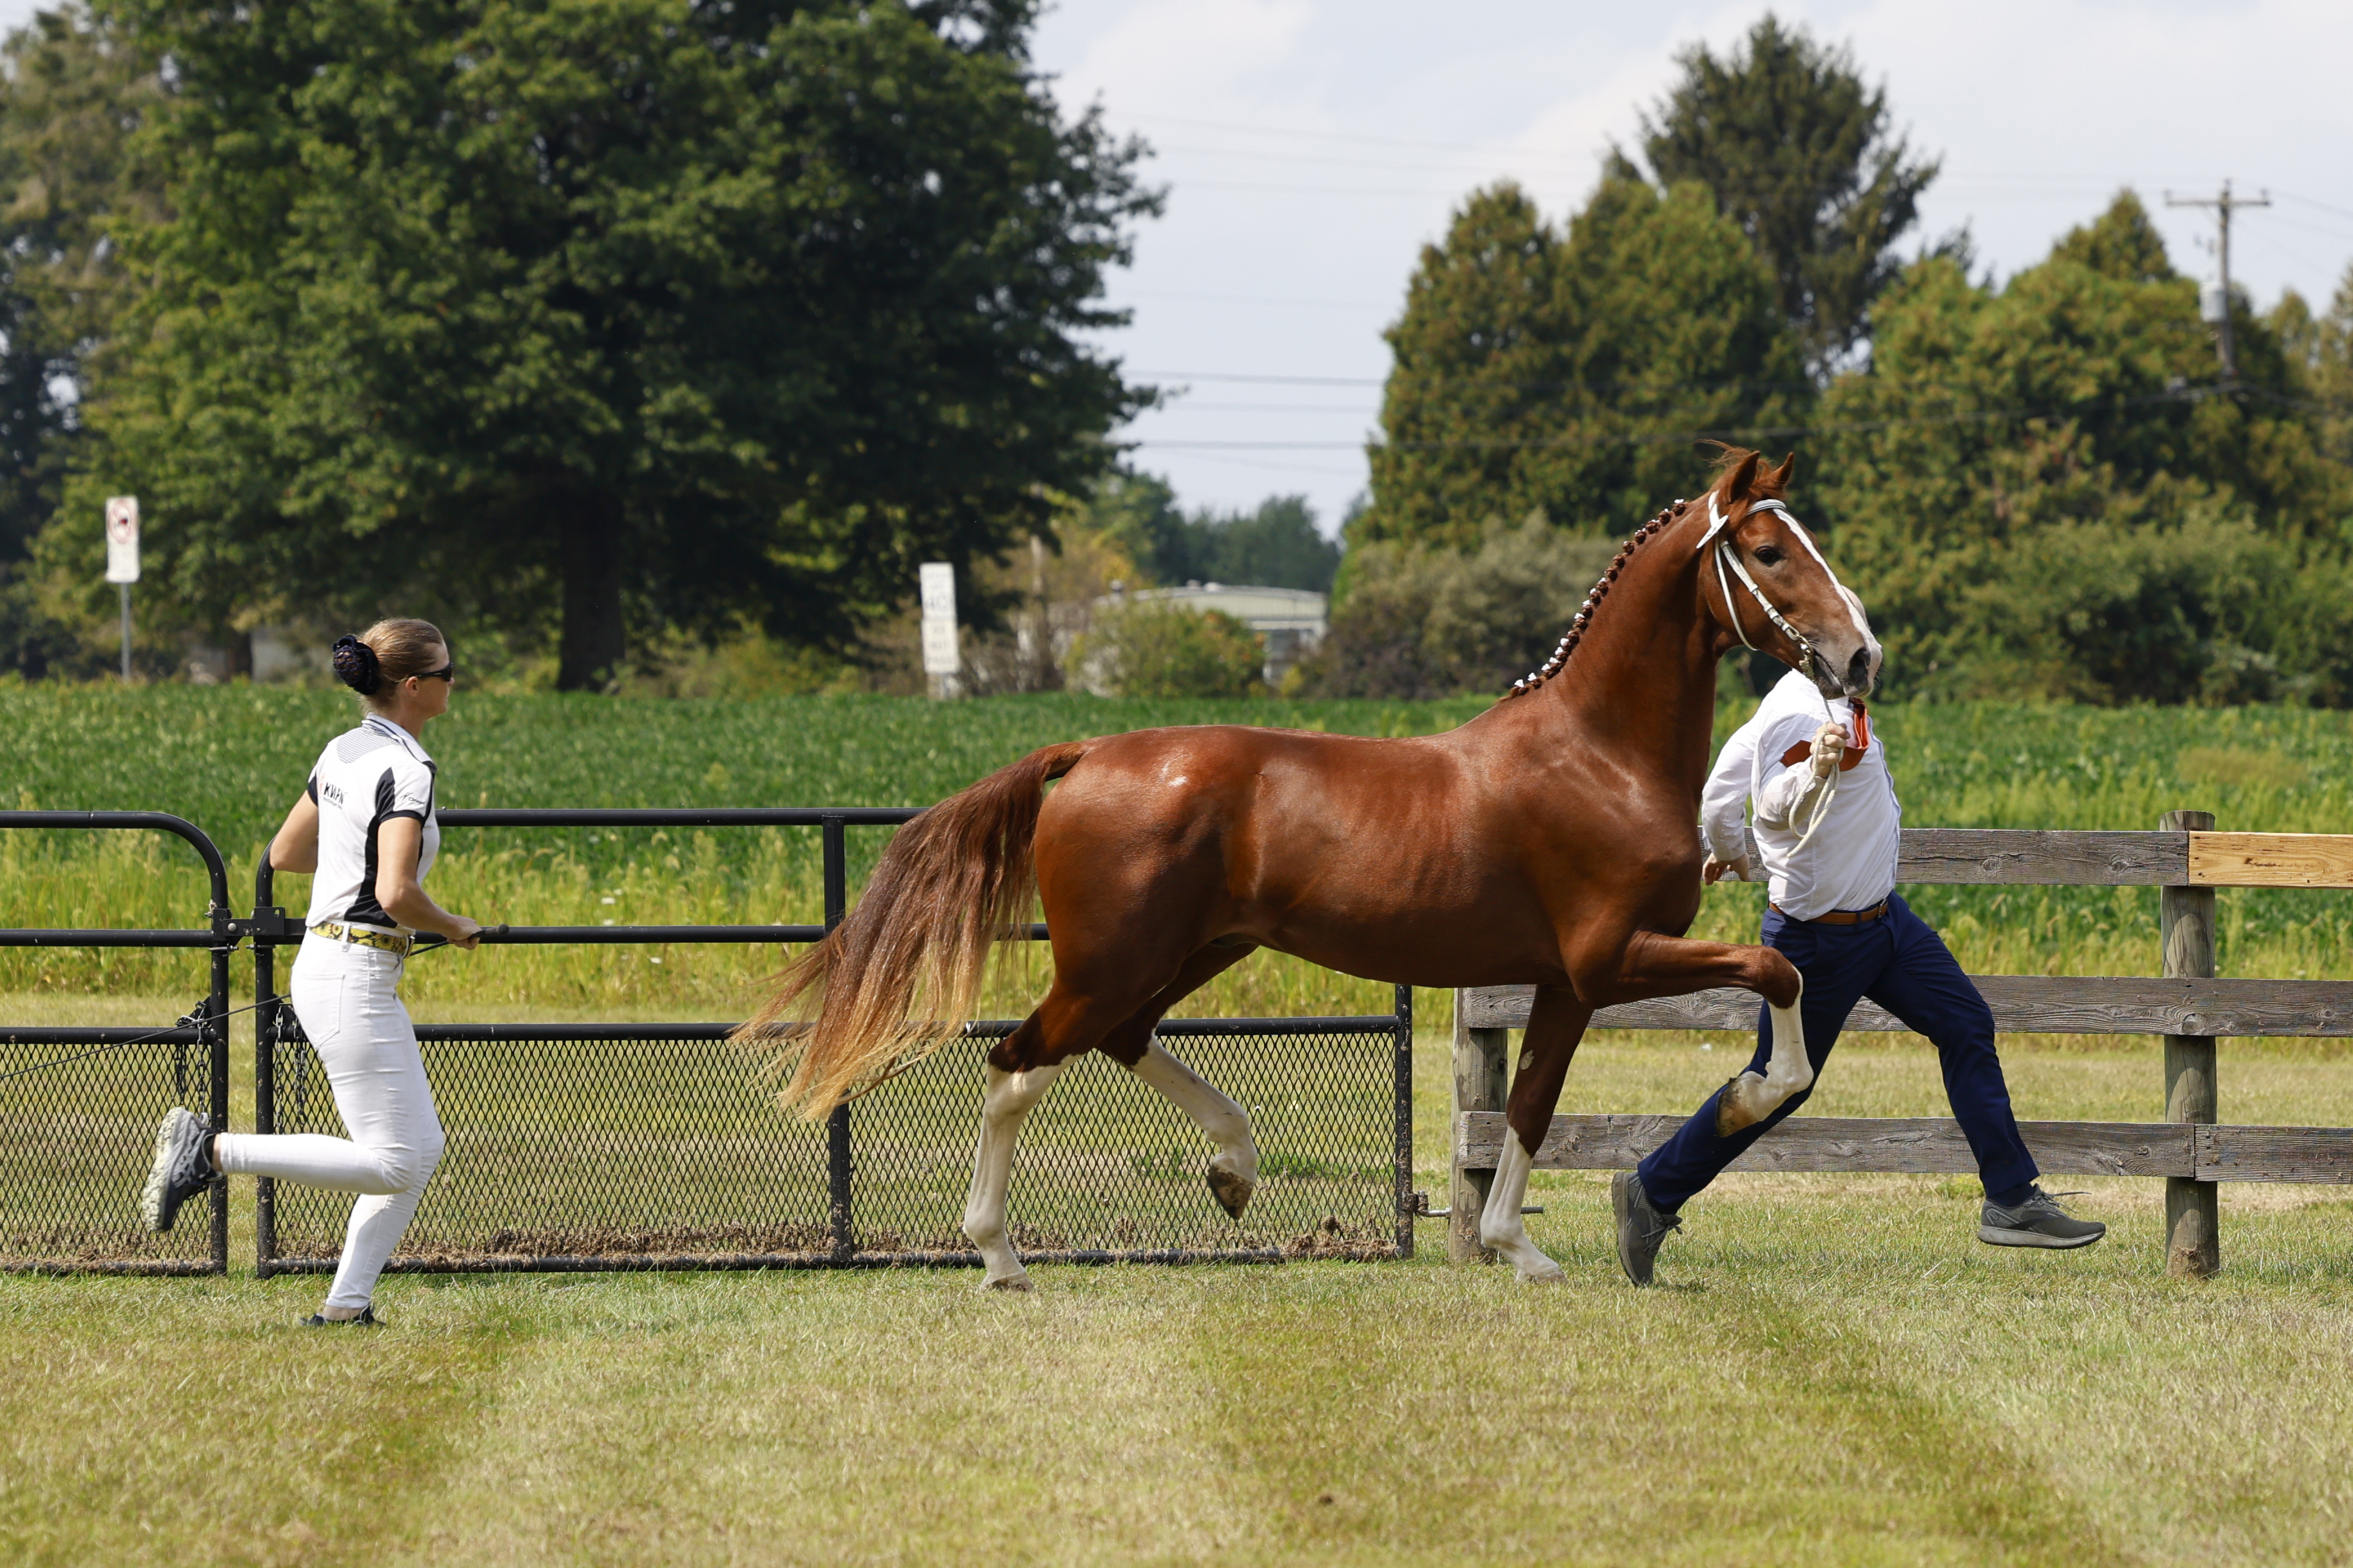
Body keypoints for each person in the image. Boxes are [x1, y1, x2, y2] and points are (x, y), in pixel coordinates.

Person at [1610, 662, 2106, 1286]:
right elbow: (1772, 802)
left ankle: (2010, 1197)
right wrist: (1810, 774)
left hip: (1885, 925)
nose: (1866, 657)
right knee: (1779, 1085)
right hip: (1817, 945)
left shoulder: (1796, 707)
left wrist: (1727, 848)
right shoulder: (1798, 721)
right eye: (1853, 647)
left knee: (1963, 1023)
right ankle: (1651, 1190)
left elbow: (1717, 797)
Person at [142, 619, 483, 1325]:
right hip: (355, 971)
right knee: (395, 1160)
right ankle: (208, 1150)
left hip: (333, 965)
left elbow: (287, 853)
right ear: (415, 687)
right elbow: (394, 893)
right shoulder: (410, 769)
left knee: (418, 1148)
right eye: (449, 672)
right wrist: (455, 926)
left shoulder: (343, 750)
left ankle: (346, 1306)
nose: (456, 682)